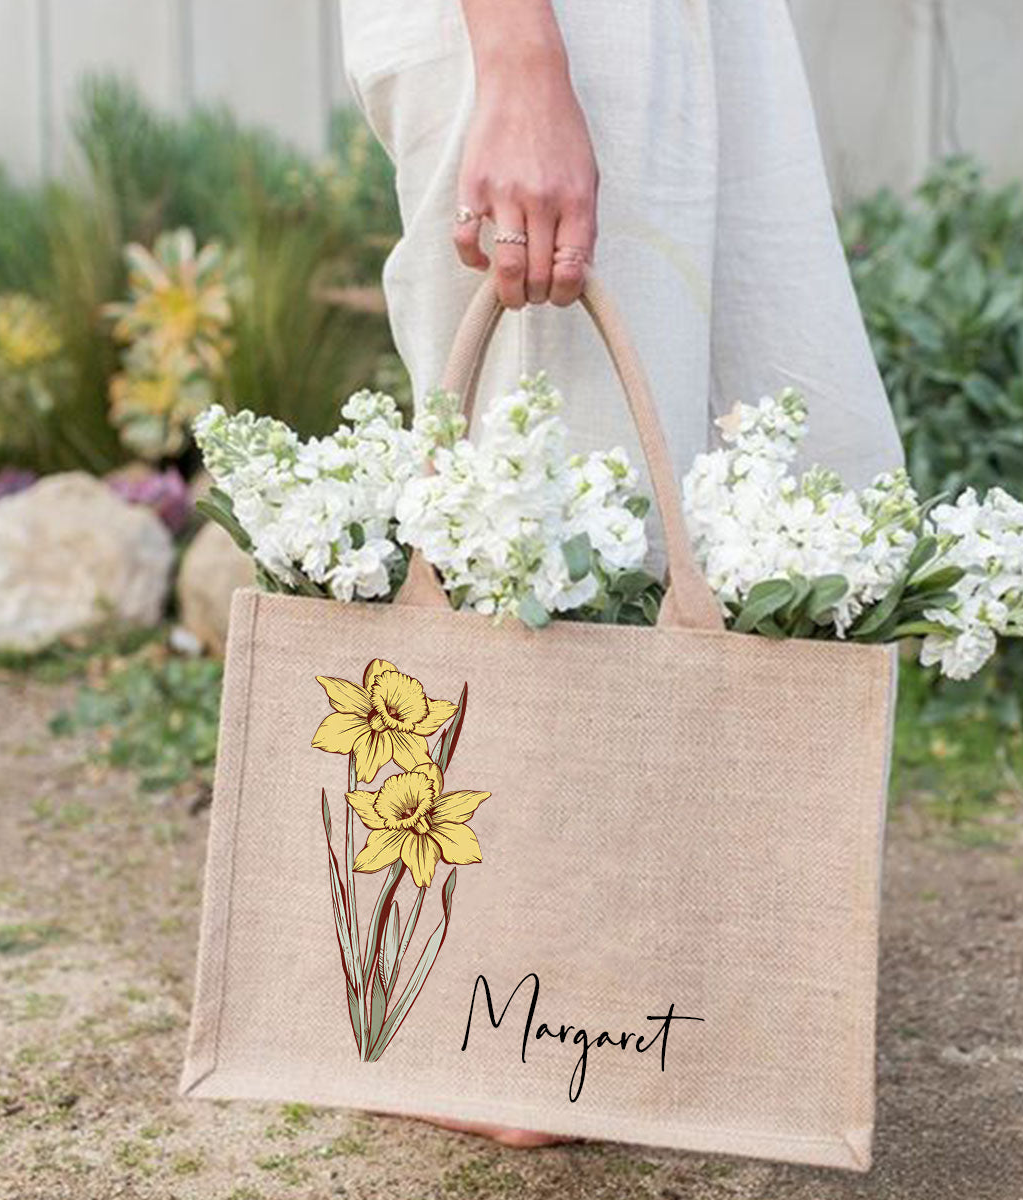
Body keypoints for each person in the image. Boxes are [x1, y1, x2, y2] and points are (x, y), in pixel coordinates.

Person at [337, 0, 905, 1146]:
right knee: (548, 482)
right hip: (553, 27)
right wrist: (521, 61)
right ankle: (514, 1010)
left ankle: (668, 963)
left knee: (793, 457)